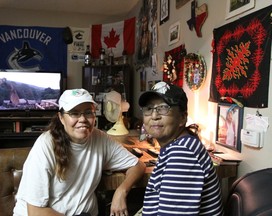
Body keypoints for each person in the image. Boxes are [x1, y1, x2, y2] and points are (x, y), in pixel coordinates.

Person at [13, 88, 146, 216]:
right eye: (74, 113)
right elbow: (35, 212)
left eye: (88, 112)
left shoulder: (100, 138)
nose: (82, 119)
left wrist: (121, 191)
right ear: (61, 117)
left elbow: (138, 165)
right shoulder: (46, 145)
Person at [138, 81, 223, 215]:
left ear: (182, 118)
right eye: (149, 109)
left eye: (164, 108)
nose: (154, 116)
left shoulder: (183, 153)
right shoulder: (180, 145)